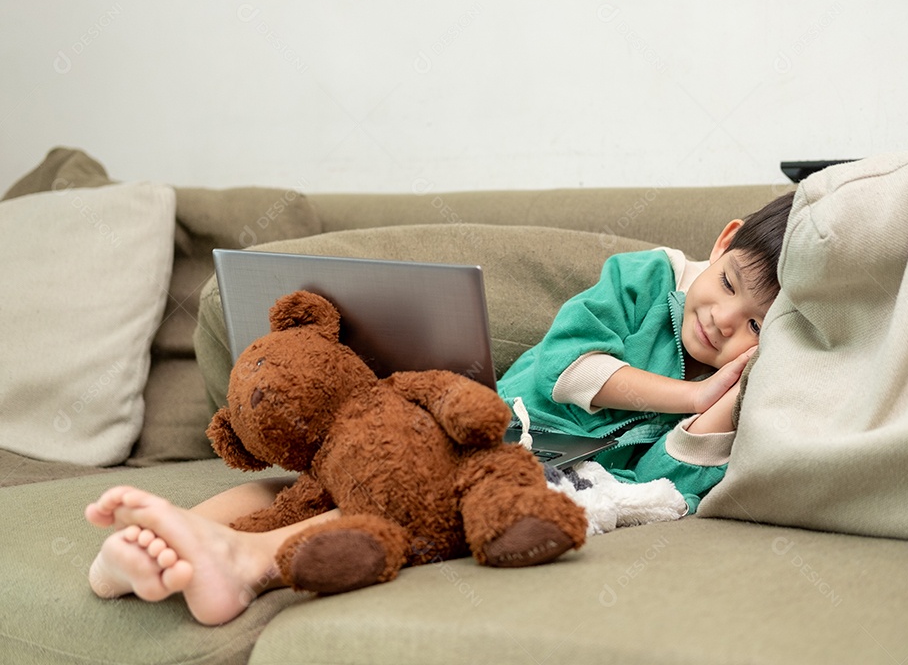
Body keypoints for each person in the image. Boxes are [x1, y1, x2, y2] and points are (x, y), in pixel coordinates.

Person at [85, 191, 794, 625]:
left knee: (407, 500)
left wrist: (713, 414)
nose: (724, 320)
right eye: (727, 283)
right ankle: (169, 536)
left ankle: (246, 560)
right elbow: (571, 368)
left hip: (524, 484)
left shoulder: (742, 398)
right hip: (491, 425)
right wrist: (689, 392)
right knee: (310, 480)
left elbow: (672, 489)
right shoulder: (644, 280)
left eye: (756, 326)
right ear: (722, 241)